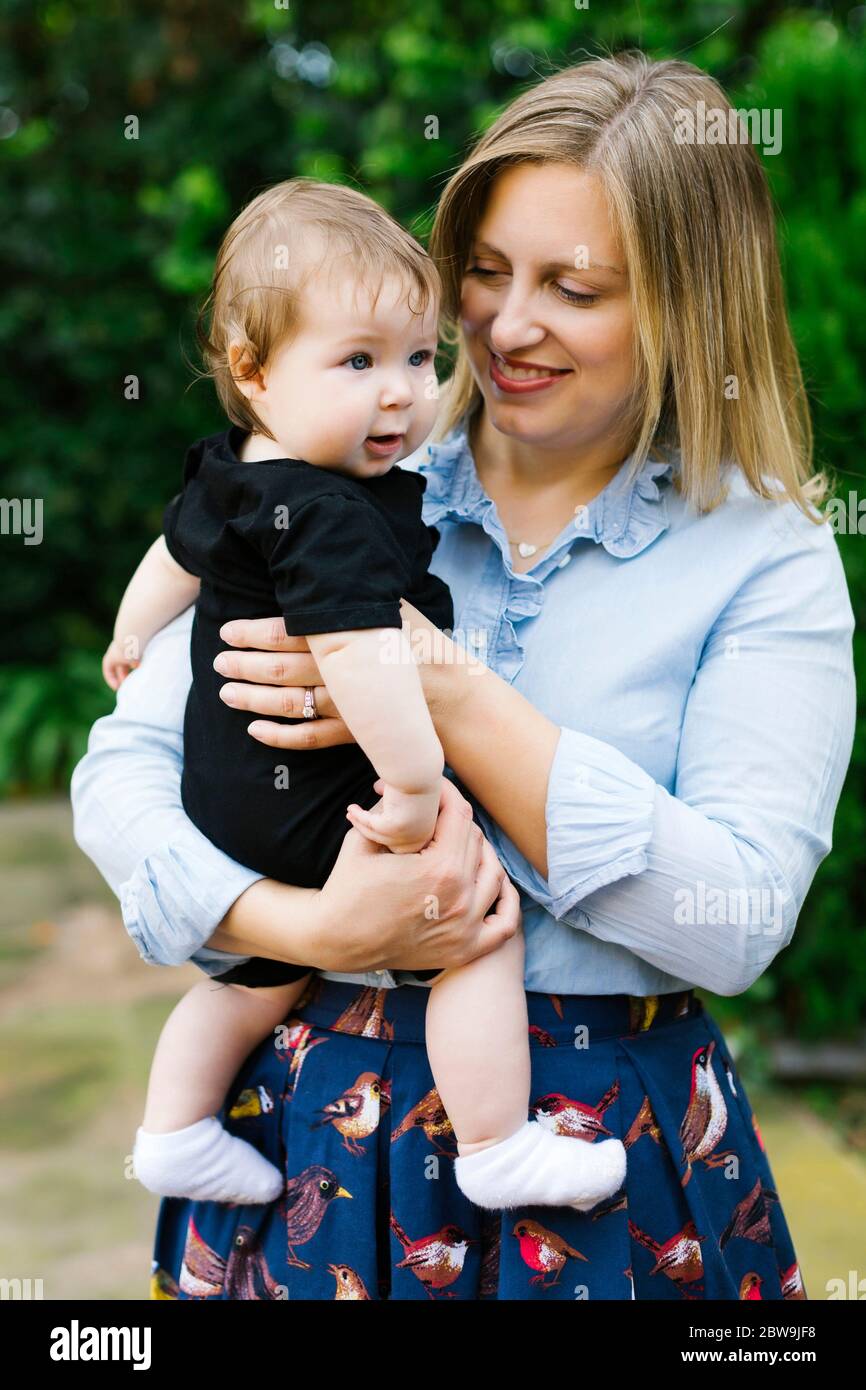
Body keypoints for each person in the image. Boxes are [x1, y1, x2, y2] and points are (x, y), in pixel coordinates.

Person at [72, 53, 856, 1299]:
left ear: (690, 306)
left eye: (573, 288)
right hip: (311, 1131)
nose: (503, 325)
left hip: (610, 1160)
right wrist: (306, 929)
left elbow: (738, 918)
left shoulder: (761, 553)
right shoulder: (337, 464)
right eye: (483, 273)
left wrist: (449, 699)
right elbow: (123, 780)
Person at [98, 179, 627, 1216]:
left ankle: (171, 1128)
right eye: (357, 362)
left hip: (234, 793)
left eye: (418, 359)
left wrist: (127, 633)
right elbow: (362, 654)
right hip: (321, 796)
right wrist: (419, 785)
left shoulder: (235, 471)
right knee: (471, 913)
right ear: (251, 373)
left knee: (258, 973)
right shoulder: (329, 511)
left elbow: (175, 553)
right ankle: (492, 1143)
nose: (400, 394)